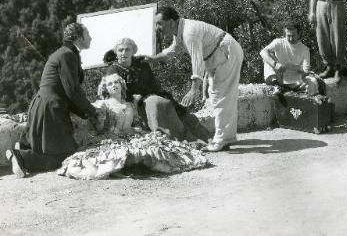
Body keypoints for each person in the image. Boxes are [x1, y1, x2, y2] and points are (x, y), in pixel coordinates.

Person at [5, 23, 99, 178]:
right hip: (51, 107)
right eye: (87, 34)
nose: (91, 37)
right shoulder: (67, 54)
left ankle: (23, 149)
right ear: (77, 37)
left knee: (60, 152)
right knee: (66, 157)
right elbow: (72, 90)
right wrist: (92, 112)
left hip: (47, 105)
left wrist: (86, 112)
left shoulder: (67, 53)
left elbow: (68, 91)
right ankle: (21, 157)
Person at [150, 6, 244, 152]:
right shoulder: (180, 30)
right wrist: (152, 59)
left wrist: (194, 90)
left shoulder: (189, 32)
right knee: (218, 97)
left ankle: (221, 140)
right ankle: (226, 137)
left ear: (172, 22)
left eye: (159, 23)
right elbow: (173, 50)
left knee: (221, 97)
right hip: (217, 56)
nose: (157, 28)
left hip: (226, 52)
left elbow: (197, 61)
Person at [105, 37, 208, 142]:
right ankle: (177, 138)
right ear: (116, 53)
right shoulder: (113, 70)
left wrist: (163, 97)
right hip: (130, 105)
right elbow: (113, 95)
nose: (124, 53)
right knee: (156, 103)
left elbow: (154, 85)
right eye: (120, 50)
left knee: (172, 107)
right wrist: (133, 99)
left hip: (148, 96)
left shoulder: (142, 65)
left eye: (127, 49)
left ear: (133, 51)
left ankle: (205, 137)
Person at [260, 22, 311, 91]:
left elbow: (306, 71)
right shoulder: (278, 42)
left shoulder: (305, 49)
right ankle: (275, 85)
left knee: (313, 82)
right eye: (288, 36)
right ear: (285, 34)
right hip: (279, 79)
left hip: (296, 82)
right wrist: (275, 64)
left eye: (293, 36)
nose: (290, 38)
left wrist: (291, 66)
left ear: (299, 34)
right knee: (268, 56)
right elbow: (262, 52)